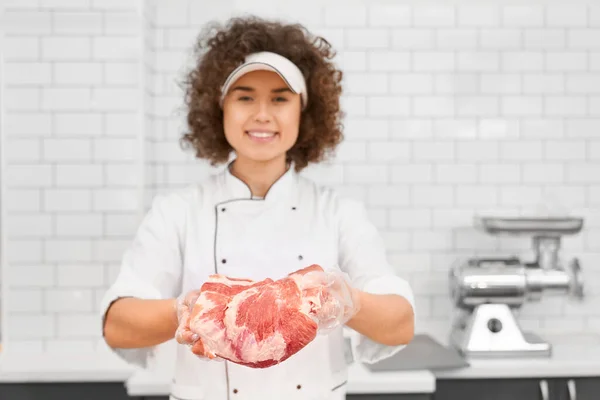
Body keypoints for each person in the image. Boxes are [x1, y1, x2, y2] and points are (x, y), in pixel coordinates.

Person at [100, 15, 415, 400]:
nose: (262, 114)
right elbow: (117, 324)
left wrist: (349, 301)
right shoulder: (178, 210)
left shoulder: (338, 213)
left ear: (305, 112)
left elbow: (400, 324)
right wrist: (185, 311)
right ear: (219, 108)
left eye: (280, 98)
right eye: (245, 96)